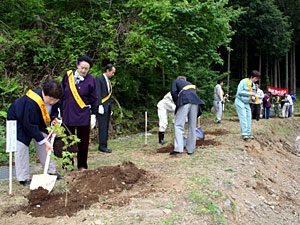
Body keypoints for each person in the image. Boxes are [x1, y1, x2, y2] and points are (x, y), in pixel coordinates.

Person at [7, 80, 64, 185]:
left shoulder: (55, 98)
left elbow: (55, 111)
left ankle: (51, 171)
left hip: (38, 121)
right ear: (44, 93)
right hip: (19, 120)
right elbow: (29, 125)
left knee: (46, 143)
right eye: (50, 99)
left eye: (55, 100)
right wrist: (43, 141)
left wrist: (54, 118)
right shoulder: (32, 101)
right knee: (22, 146)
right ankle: (23, 178)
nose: (52, 102)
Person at [61, 56, 98, 171]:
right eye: (82, 68)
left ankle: (82, 165)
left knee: (83, 142)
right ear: (77, 65)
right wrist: (58, 110)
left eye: (86, 69)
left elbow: (94, 98)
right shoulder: (68, 76)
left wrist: (93, 114)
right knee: (68, 141)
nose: (83, 71)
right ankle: (67, 165)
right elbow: (61, 93)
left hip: (83, 115)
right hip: (67, 113)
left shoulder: (91, 80)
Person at [170, 76, 205, 155]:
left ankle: (179, 148)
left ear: (178, 79)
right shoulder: (189, 84)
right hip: (195, 102)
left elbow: (173, 92)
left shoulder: (175, 81)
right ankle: (190, 149)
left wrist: (177, 102)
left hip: (184, 99)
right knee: (192, 126)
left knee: (178, 125)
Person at [95, 64, 116, 153]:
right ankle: (102, 146)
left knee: (106, 126)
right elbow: (98, 93)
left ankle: (104, 144)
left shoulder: (108, 81)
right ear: (107, 70)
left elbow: (108, 95)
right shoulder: (99, 79)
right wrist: (99, 105)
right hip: (101, 107)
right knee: (102, 127)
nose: (113, 74)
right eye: (112, 72)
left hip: (107, 106)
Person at [234, 70, 261, 140]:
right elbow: (239, 92)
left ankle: (249, 134)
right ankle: (244, 134)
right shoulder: (243, 81)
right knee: (243, 117)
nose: (256, 80)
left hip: (247, 103)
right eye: (256, 78)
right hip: (240, 101)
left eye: (257, 79)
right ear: (252, 77)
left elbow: (253, 94)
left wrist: (253, 98)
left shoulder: (254, 86)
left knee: (249, 117)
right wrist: (250, 94)